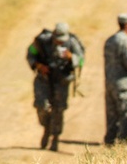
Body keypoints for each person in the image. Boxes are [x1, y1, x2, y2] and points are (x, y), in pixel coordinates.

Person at [27, 22, 86, 152]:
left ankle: (55, 137)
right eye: (58, 40)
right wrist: (38, 66)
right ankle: (46, 127)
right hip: (44, 79)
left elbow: (82, 60)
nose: (60, 43)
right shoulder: (42, 41)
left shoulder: (72, 43)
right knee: (41, 106)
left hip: (62, 81)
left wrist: (72, 58)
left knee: (58, 109)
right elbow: (30, 53)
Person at [104, 13, 127, 146]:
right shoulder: (124, 41)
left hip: (110, 83)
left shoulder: (110, 40)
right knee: (125, 114)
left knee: (111, 115)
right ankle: (122, 145)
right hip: (123, 84)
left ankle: (109, 142)